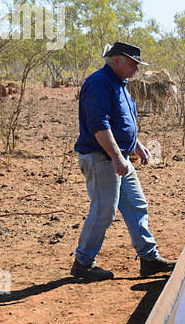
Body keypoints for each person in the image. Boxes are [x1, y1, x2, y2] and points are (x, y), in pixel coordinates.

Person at [70, 42, 173, 281]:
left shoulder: (120, 84)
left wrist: (136, 145)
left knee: (137, 205)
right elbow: (99, 125)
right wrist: (117, 156)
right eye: (132, 63)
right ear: (116, 60)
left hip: (119, 158)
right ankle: (83, 263)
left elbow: (121, 122)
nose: (136, 69)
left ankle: (149, 259)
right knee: (104, 210)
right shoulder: (99, 83)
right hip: (102, 158)